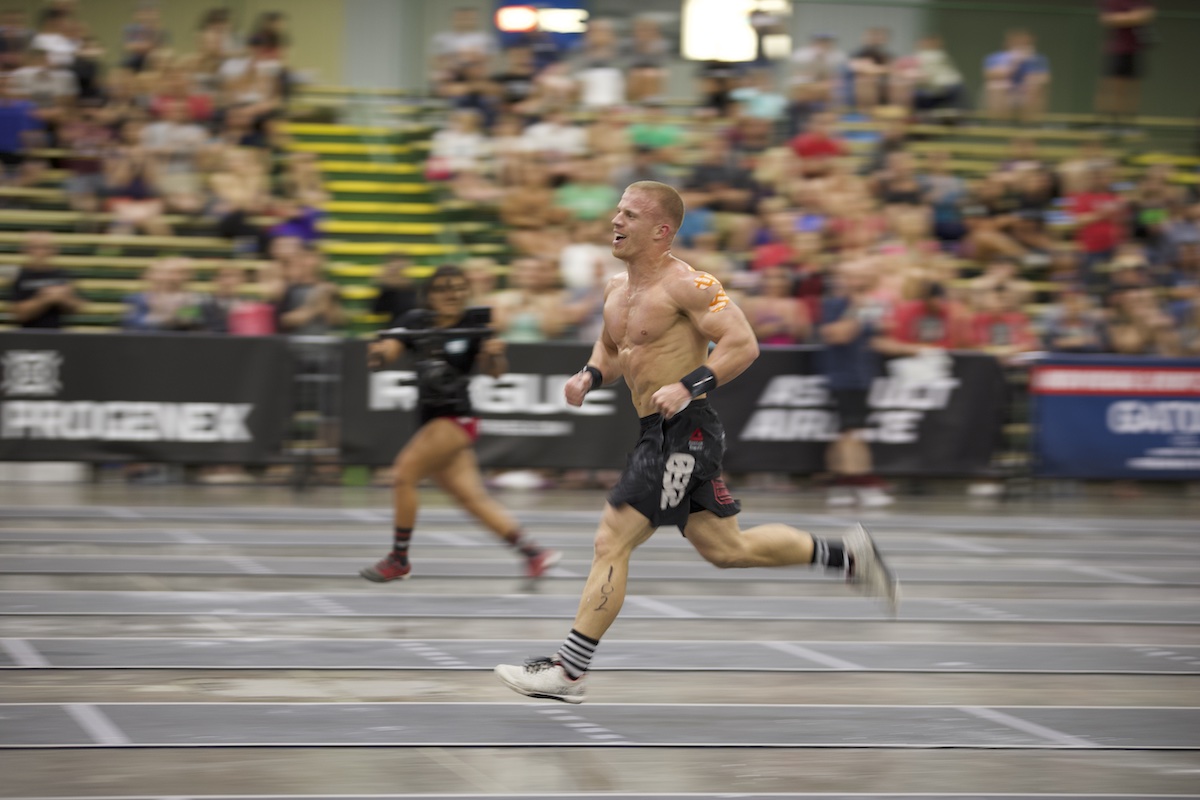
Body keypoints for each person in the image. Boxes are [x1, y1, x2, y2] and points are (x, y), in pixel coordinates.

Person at [494, 181, 899, 704]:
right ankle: (847, 556)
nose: (615, 220)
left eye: (630, 214)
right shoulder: (617, 288)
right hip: (656, 429)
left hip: (685, 430)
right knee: (727, 549)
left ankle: (568, 673)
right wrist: (589, 376)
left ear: (662, 231)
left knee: (610, 541)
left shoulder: (690, 284)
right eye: (616, 209)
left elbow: (743, 344)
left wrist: (689, 385)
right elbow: (613, 348)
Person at [360, 264, 560, 583]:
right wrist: (378, 355)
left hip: (456, 419)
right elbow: (387, 353)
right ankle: (534, 553)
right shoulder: (415, 321)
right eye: (443, 288)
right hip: (431, 421)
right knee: (473, 499)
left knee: (403, 475)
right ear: (429, 295)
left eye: (458, 288)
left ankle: (399, 558)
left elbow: (495, 372)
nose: (452, 294)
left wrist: (495, 355)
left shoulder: (475, 325)